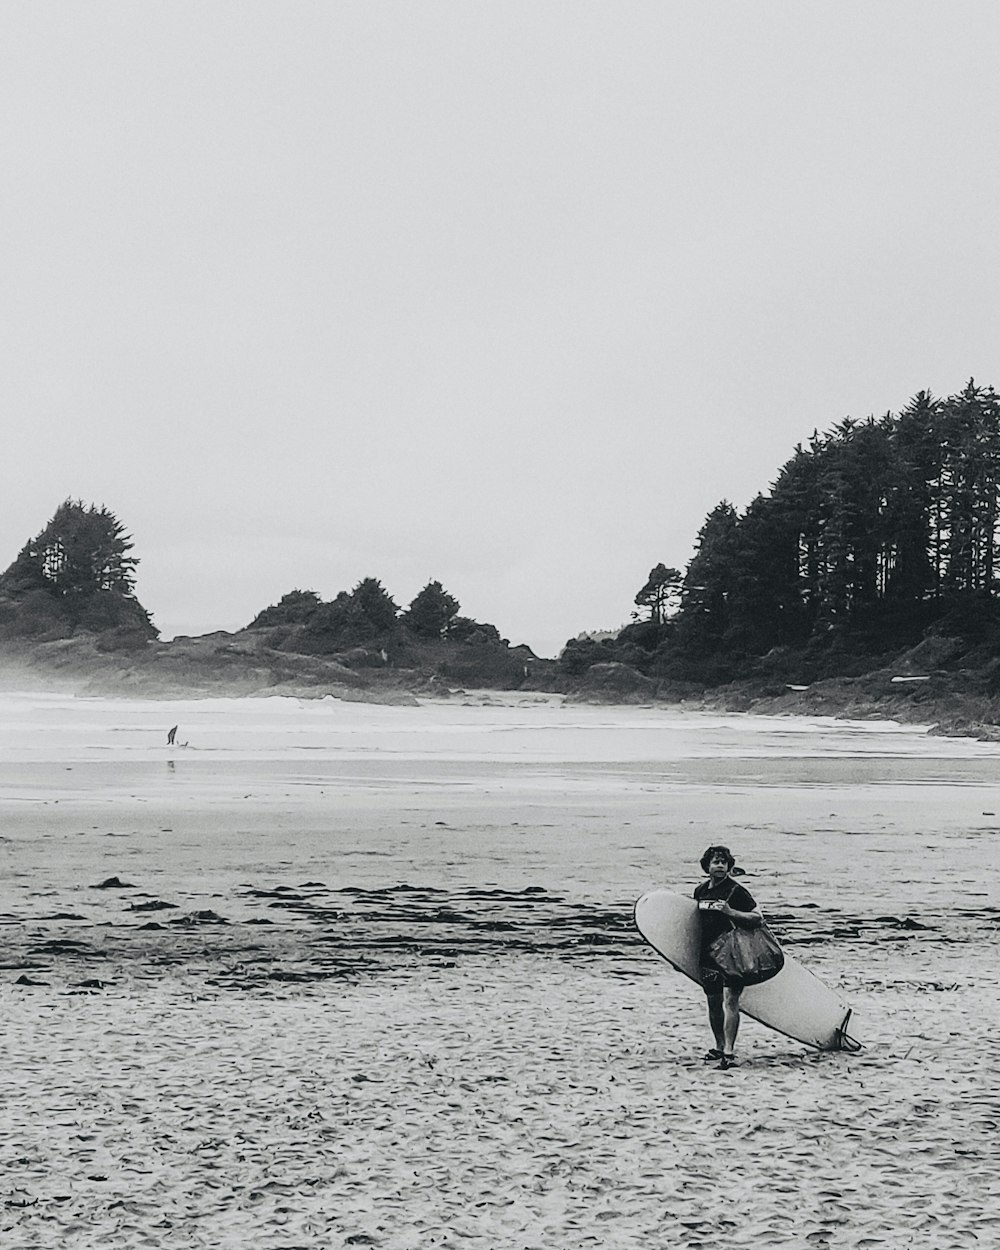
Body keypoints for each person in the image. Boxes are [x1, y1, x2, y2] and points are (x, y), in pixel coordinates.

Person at [694, 845, 762, 1070]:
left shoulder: (736, 891)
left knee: (731, 1000)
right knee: (713, 1001)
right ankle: (718, 1046)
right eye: (715, 862)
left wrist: (731, 913)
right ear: (707, 867)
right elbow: (694, 924)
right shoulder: (700, 891)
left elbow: (757, 918)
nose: (720, 865)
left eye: (724, 862)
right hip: (708, 953)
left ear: (730, 867)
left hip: (734, 953)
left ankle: (729, 1051)